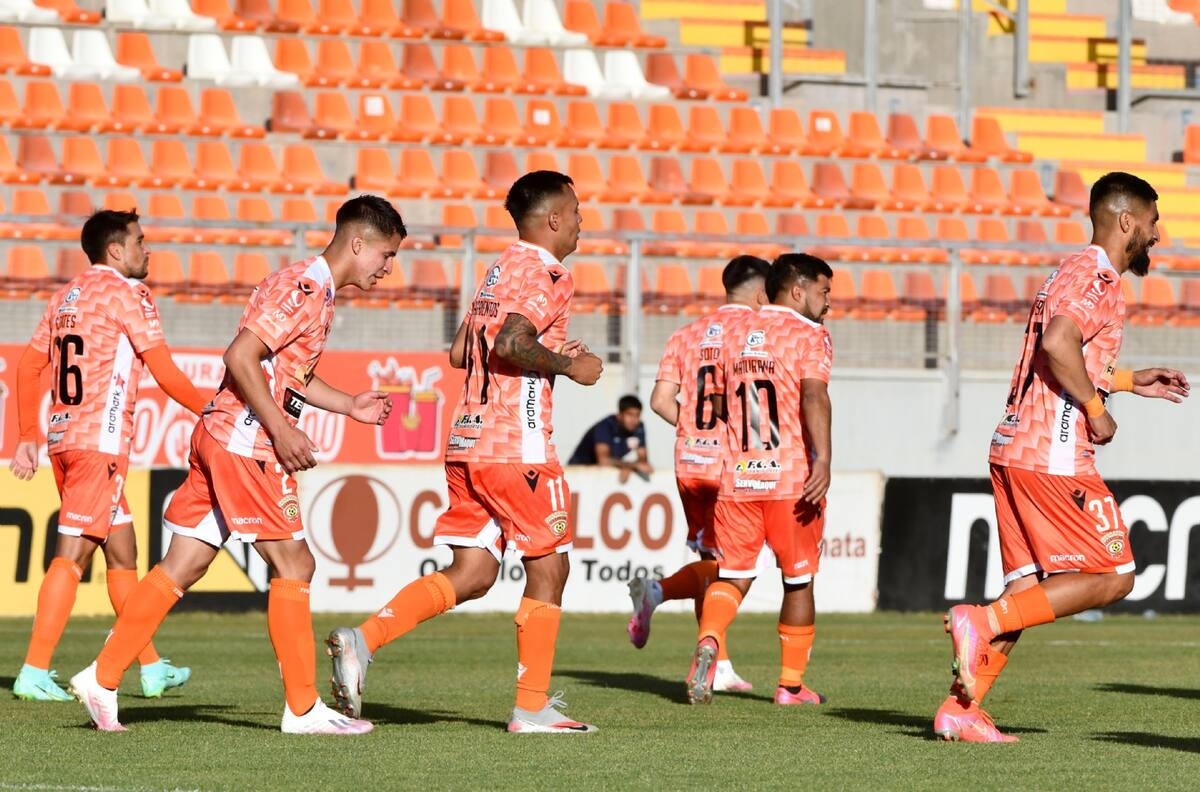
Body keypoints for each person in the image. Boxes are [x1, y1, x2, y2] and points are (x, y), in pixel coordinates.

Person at [68, 195, 407, 734]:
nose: (389, 270)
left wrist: (348, 405)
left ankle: (102, 678)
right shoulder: (304, 288)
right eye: (386, 256)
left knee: (184, 565)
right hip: (245, 444)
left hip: (221, 435)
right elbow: (239, 356)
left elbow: (283, 372)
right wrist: (281, 428)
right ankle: (302, 709)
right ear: (357, 242)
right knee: (295, 565)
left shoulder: (313, 291)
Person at [326, 170, 605, 734]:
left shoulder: (499, 268)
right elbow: (510, 343)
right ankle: (531, 707)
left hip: (466, 439)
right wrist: (570, 365)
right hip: (514, 444)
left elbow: (460, 352)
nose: (581, 221)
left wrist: (541, 350)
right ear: (553, 219)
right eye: (576, 211)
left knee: (474, 572)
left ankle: (363, 639)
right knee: (550, 567)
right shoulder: (548, 271)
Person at [936, 172, 1189, 743]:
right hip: (1053, 452)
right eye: (1152, 221)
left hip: (1016, 445)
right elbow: (1058, 343)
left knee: (1028, 593)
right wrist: (1098, 407)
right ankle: (979, 621)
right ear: (1127, 221)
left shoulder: (1068, 270)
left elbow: (1062, 352)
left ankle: (962, 709)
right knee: (1114, 575)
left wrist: (1126, 379)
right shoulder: (1098, 275)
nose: (1157, 233)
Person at [10, 210, 206, 702]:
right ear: (116, 250)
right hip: (99, 443)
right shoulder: (128, 294)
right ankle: (33, 670)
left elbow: (29, 365)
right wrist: (216, 407)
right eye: (141, 241)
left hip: (64, 439)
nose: (148, 250)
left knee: (122, 554)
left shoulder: (65, 297)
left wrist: (26, 435)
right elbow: (162, 369)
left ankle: (151, 665)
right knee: (72, 557)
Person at [685, 253, 834, 707]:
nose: (828, 303)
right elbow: (814, 394)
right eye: (824, 292)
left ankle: (709, 640)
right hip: (791, 479)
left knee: (732, 578)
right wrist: (824, 458)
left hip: (737, 477)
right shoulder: (812, 334)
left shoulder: (733, 334)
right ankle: (790, 686)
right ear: (798, 290)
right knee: (798, 580)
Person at [627, 255, 770, 694]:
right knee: (737, 570)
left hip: (690, 460)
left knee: (713, 558)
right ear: (762, 294)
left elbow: (659, 400)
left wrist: (692, 428)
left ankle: (720, 663)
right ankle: (660, 592)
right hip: (735, 465)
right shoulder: (756, 333)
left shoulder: (686, 334)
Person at [567, 394, 652, 481]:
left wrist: (630, 467)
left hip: (599, 474)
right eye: (629, 415)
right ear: (619, 415)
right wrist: (629, 465)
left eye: (637, 415)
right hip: (577, 472)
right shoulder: (605, 427)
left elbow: (643, 461)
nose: (634, 420)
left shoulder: (638, 427)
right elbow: (603, 460)